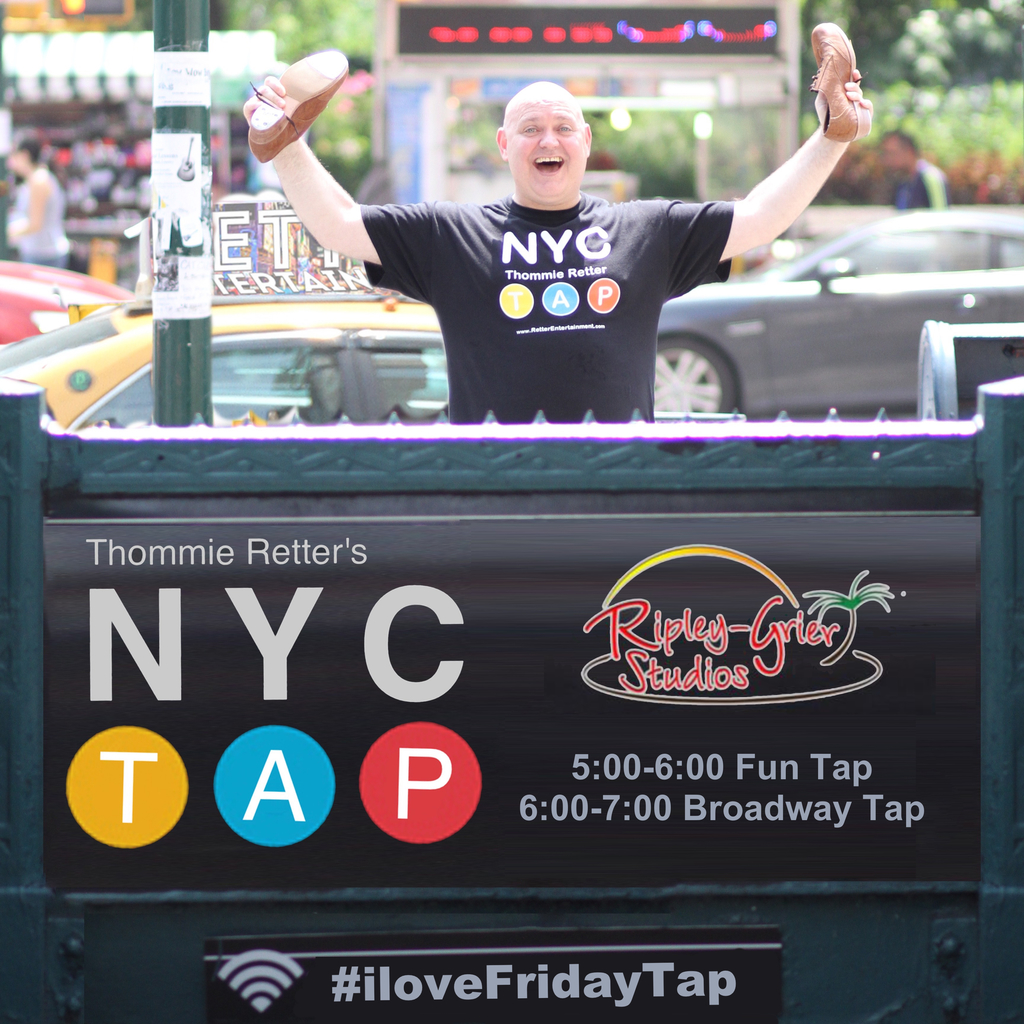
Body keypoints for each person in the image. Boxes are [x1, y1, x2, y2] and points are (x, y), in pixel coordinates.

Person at [243, 25, 873, 424]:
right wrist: (284, 144)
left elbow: (760, 218)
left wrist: (832, 137)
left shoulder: (646, 230)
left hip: (617, 495)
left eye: (563, 127)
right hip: (492, 498)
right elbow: (339, 225)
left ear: (586, 142)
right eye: (530, 128)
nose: (548, 139)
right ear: (504, 145)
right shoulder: (451, 235)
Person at [7, 138, 71, 269]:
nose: (10, 162)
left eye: (13, 156)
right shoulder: (34, 179)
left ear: (24, 155)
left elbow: (35, 223)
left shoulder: (39, 181)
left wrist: (7, 232)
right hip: (39, 252)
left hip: (45, 255)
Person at [880, 131, 949, 211]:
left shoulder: (931, 177)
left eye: (892, 153)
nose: (887, 160)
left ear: (909, 151)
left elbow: (940, 215)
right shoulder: (903, 182)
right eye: (885, 154)